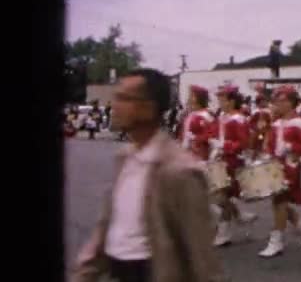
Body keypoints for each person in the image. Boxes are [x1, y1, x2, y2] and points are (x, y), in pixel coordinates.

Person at [71, 69, 226, 282]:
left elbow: (201, 258)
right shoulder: (125, 157)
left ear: (147, 108)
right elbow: (108, 226)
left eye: (124, 98)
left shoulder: (180, 172)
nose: (114, 105)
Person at [258, 85, 301, 258]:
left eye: (281, 100)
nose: (277, 104)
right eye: (276, 100)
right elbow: (270, 145)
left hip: (290, 166)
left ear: (291, 103)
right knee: (278, 201)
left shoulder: (298, 122)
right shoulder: (276, 123)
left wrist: (291, 147)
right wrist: (266, 154)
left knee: (279, 202)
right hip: (276, 166)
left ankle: (276, 242)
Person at [209, 85, 257, 247]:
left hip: (233, 161)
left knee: (222, 196)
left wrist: (225, 145)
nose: (220, 102)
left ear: (231, 101)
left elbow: (244, 143)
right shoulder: (222, 116)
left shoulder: (239, 119)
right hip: (220, 159)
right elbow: (215, 134)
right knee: (219, 196)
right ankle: (241, 217)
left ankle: (224, 232)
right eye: (219, 99)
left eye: (222, 99)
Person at [180, 85, 217, 161]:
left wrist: (195, 138)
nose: (189, 98)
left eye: (192, 96)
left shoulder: (206, 115)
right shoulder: (190, 114)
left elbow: (211, 135)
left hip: (199, 155)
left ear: (199, 98)